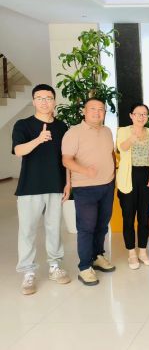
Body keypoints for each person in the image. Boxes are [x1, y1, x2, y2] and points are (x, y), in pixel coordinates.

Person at [12, 84, 71, 295]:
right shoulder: (23, 125)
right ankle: (28, 272)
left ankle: (55, 266)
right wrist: (38, 139)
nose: (45, 102)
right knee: (27, 231)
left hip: (55, 185)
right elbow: (18, 150)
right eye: (40, 98)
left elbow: (66, 158)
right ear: (34, 101)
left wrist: (68, 183)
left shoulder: (62, 127)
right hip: (29, 187)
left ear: (54, 101)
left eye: (49, 98)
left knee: (54, 228)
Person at [62, 98, 116, 286]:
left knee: (102, 225)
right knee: (86, 227)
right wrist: (85, 171)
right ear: (84, 111)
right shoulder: (73, 132)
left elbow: (110, 155)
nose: (97, 112)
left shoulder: (107, 131)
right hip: (85, 188)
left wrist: (113, 176)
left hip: (107, 185)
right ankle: (85, 267)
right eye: (92, 108)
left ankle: (97, 256)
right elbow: (66, 160)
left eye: (101, 109)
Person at [116, 103, 149, 269]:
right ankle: (131, 254)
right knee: (128, 217)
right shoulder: (123, 131)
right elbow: (121, 148)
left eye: (144, 114)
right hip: (128, 176)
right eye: (138, 114)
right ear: (131, 115)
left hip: (147, 176)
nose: (141, 117)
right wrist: (133, 137)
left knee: (144, 217)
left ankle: (143, 252)